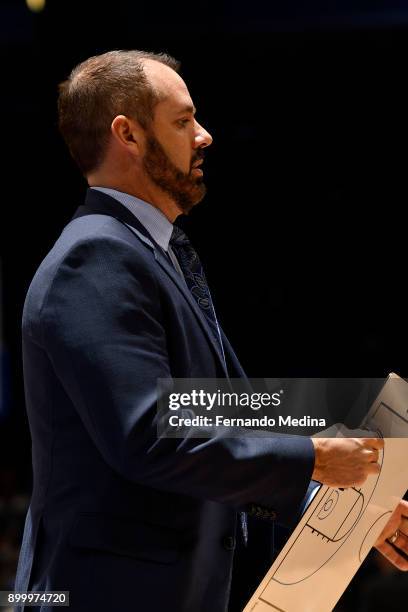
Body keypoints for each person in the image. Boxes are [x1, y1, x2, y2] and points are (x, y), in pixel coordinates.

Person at [14, 50, 407, 612]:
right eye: (182, 121)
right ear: (127, 134)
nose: (204, 135)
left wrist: (352, 502)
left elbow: (220, 412)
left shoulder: (150, 252)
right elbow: (149, 435)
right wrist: (315, 460)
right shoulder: (95, 258)